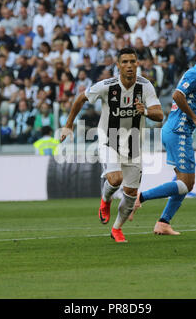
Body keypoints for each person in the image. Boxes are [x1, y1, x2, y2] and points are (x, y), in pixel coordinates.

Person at [60, 47, 163, 243]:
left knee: (131, 194)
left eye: (133, 61)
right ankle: (105, 200)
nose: (129, 66)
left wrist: (146, 112)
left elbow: (159, 114)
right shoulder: (107, 86)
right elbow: (81, 98)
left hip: (134, 143)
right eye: (125, 62)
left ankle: (117, 229)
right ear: (118, 66)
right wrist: (68, 125)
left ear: (137, 64)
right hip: (109, 139)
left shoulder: (145, 86)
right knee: (115, 179)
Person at [130, 45, 196, 235]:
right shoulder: (195, 75)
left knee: (185, 183)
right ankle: (139, 198)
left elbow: (192, 107)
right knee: (185, 184)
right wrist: (194, 118)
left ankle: (163, 223)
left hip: (175, 130)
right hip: (178, 132)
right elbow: (177, 95)